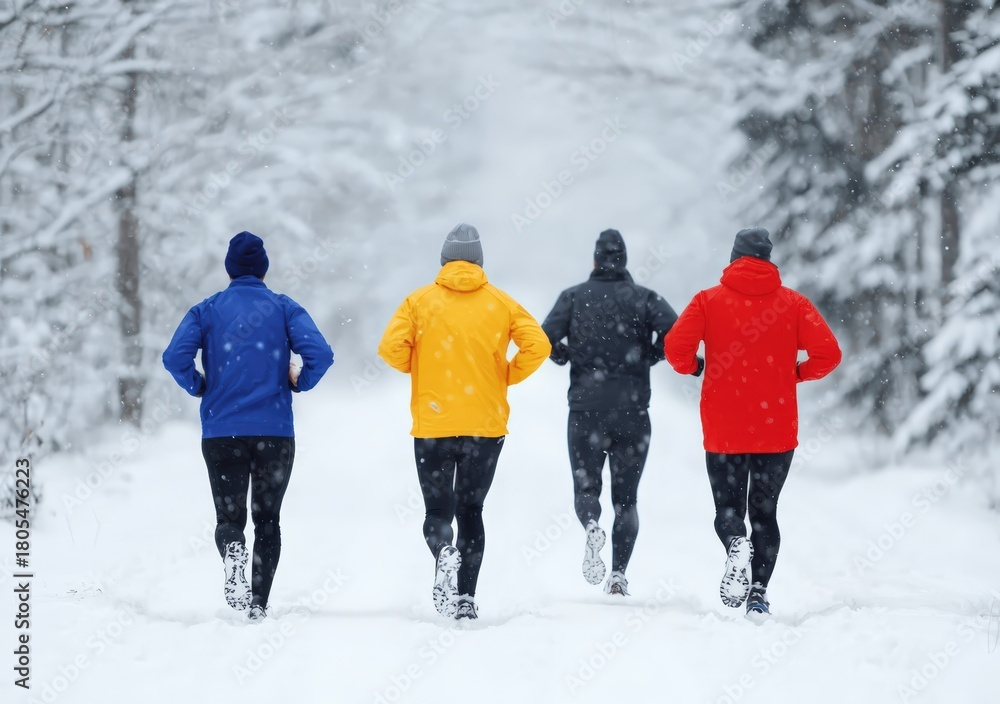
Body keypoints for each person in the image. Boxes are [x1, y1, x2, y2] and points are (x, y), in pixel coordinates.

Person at [665, 228, 841, 620]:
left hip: (724, 428)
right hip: (775, 428)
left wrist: (695, 366)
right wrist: (795, 374)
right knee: (765, 511)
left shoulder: (708, 300)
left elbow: (676, 349)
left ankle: (735, 542)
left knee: (728, 508)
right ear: (768, 259)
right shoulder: (793, 303)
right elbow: (829, 354)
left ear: (734, 258)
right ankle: (758, 595)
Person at [378, 224, 550, 620]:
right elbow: (538, 345)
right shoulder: (501, 302)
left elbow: (390, 348)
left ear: (443, 260)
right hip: (485, 427)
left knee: (438, 512)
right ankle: (467, 599)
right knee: (471, 510)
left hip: (433, 424)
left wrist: (418, 366)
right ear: (480, 262)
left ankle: (443, 549)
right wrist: (506, 374)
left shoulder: (418, 301)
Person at [163, 231, 333, 621]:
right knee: (268, 519)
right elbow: (321, 354)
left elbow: (174, 357)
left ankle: (233, 550)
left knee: (229, 518)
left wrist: (198, 385)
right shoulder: (284, 308)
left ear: (229, 269)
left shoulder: (205, 310)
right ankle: (258, 604)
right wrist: (299, 381)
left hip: (222, 432)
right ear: (263, 269)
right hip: (275, 432)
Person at [541, 229, 678, 597]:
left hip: (585, 410)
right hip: (632, 411)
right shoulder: (645, 298)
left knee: (586, 486)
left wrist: (566, 356)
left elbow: (542, 338)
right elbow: (677, 333)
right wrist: (650, 355)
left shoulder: (573, 297)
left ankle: (590, 525)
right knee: (627, 500)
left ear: (595, 260)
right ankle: (617, 575)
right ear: (624, 260)